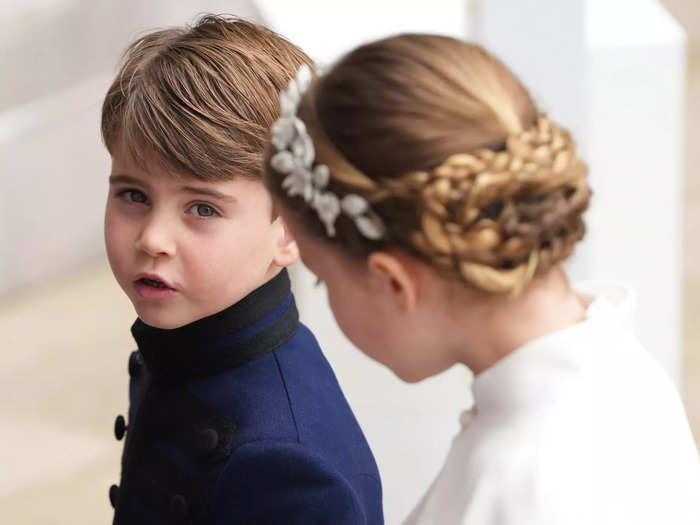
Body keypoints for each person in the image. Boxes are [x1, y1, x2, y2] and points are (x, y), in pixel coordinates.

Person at [264, 34, 700, 524]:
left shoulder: (525, 491)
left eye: (323, 281)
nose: (326, 296)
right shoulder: (620, 367)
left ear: (393, 283)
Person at [101, 15, 383, 524]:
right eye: (133, 195)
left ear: (293, 232)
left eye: (202, 208)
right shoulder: (185, 347)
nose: (151, 238)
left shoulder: (285, 466)